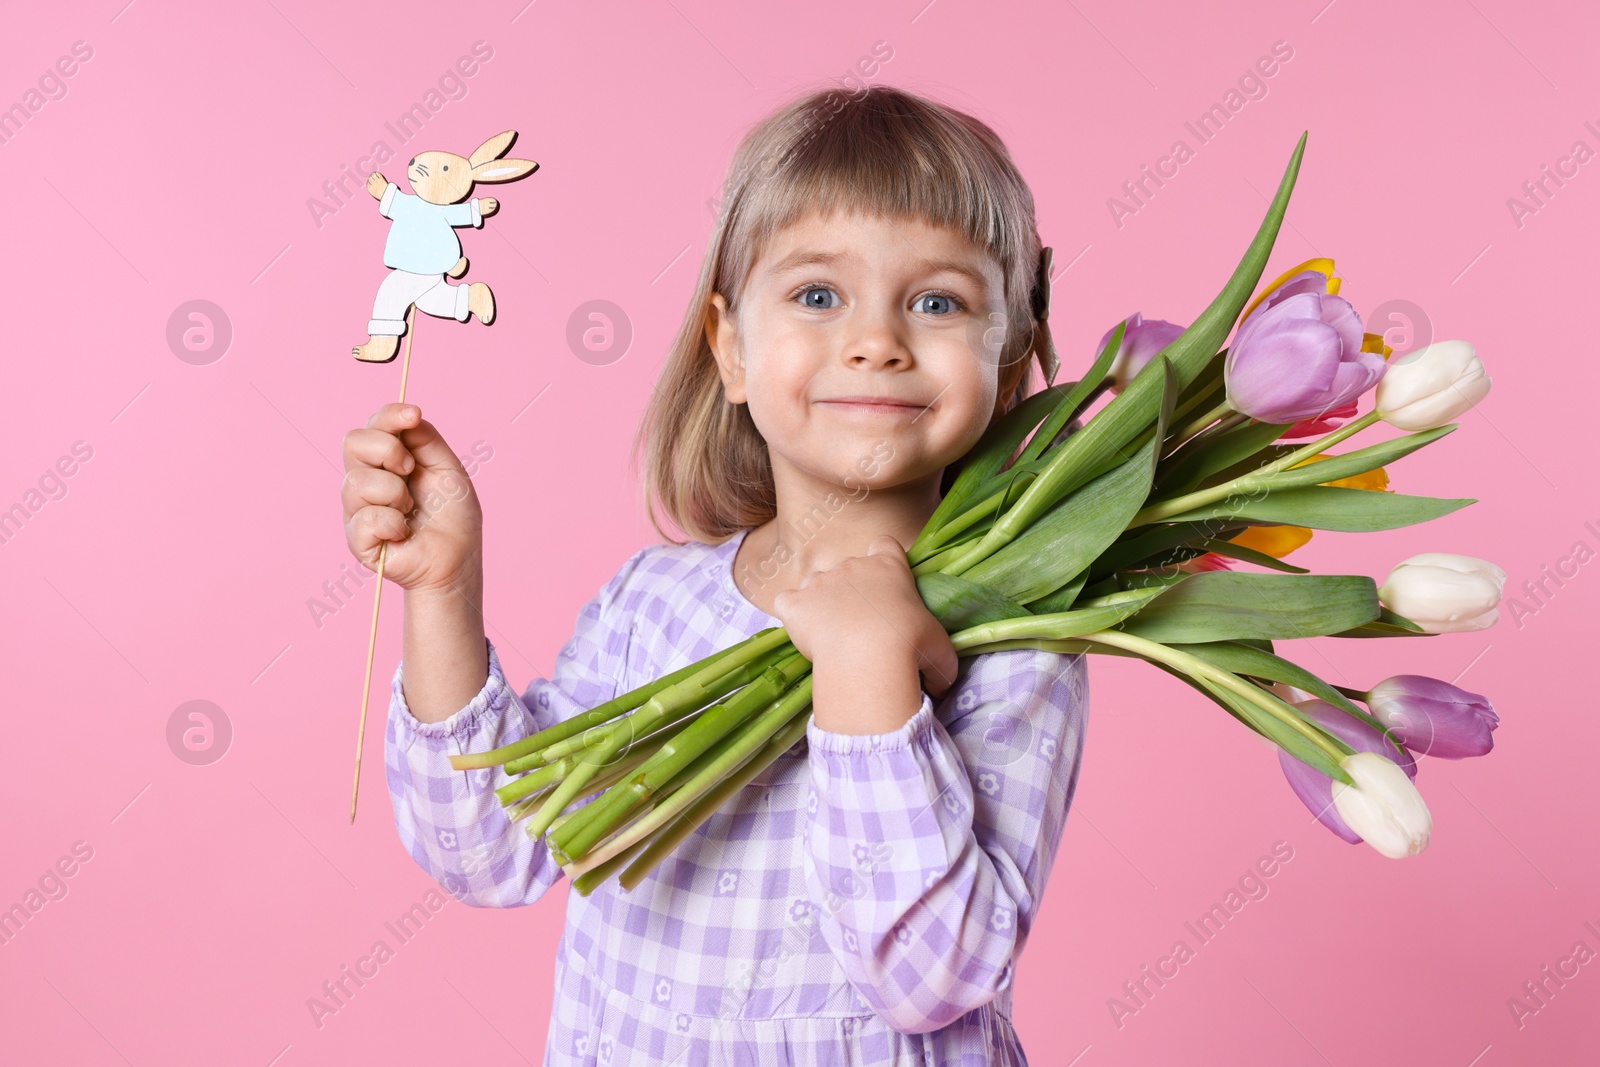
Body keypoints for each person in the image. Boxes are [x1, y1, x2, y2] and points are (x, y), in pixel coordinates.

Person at [340, 82, 1088, 1065]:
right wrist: (442, 588)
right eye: (818, 295)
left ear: (1009, 352)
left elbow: (933, 975)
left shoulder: (1015, 648)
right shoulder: (652, 604)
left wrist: (867, 666)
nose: (876, 340)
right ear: (730, 348)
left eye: (936, 301)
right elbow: (490, 851)